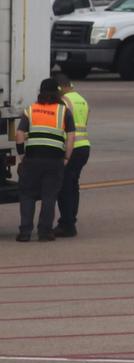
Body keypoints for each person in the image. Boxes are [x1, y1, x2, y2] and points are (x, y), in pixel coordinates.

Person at [10, 79, 73, 243]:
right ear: (57, 93)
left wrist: (22, 155)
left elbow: (19, 134)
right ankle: (45, 232)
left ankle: (25, 232)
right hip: (54, 159)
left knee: (27, 195)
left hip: (33, 158)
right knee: (49, 196)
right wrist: (66, 157)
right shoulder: (64, 111)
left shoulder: (31, 110)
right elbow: (71, 137)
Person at [52, 71, 89, 238]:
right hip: (84, 147)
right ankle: (70, 221)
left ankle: (67, 224)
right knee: (73, 186)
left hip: (70, 147)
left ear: (60, 87)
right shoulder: (82, 100)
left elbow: (61, 126)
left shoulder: (64, 101)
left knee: (64, 188)